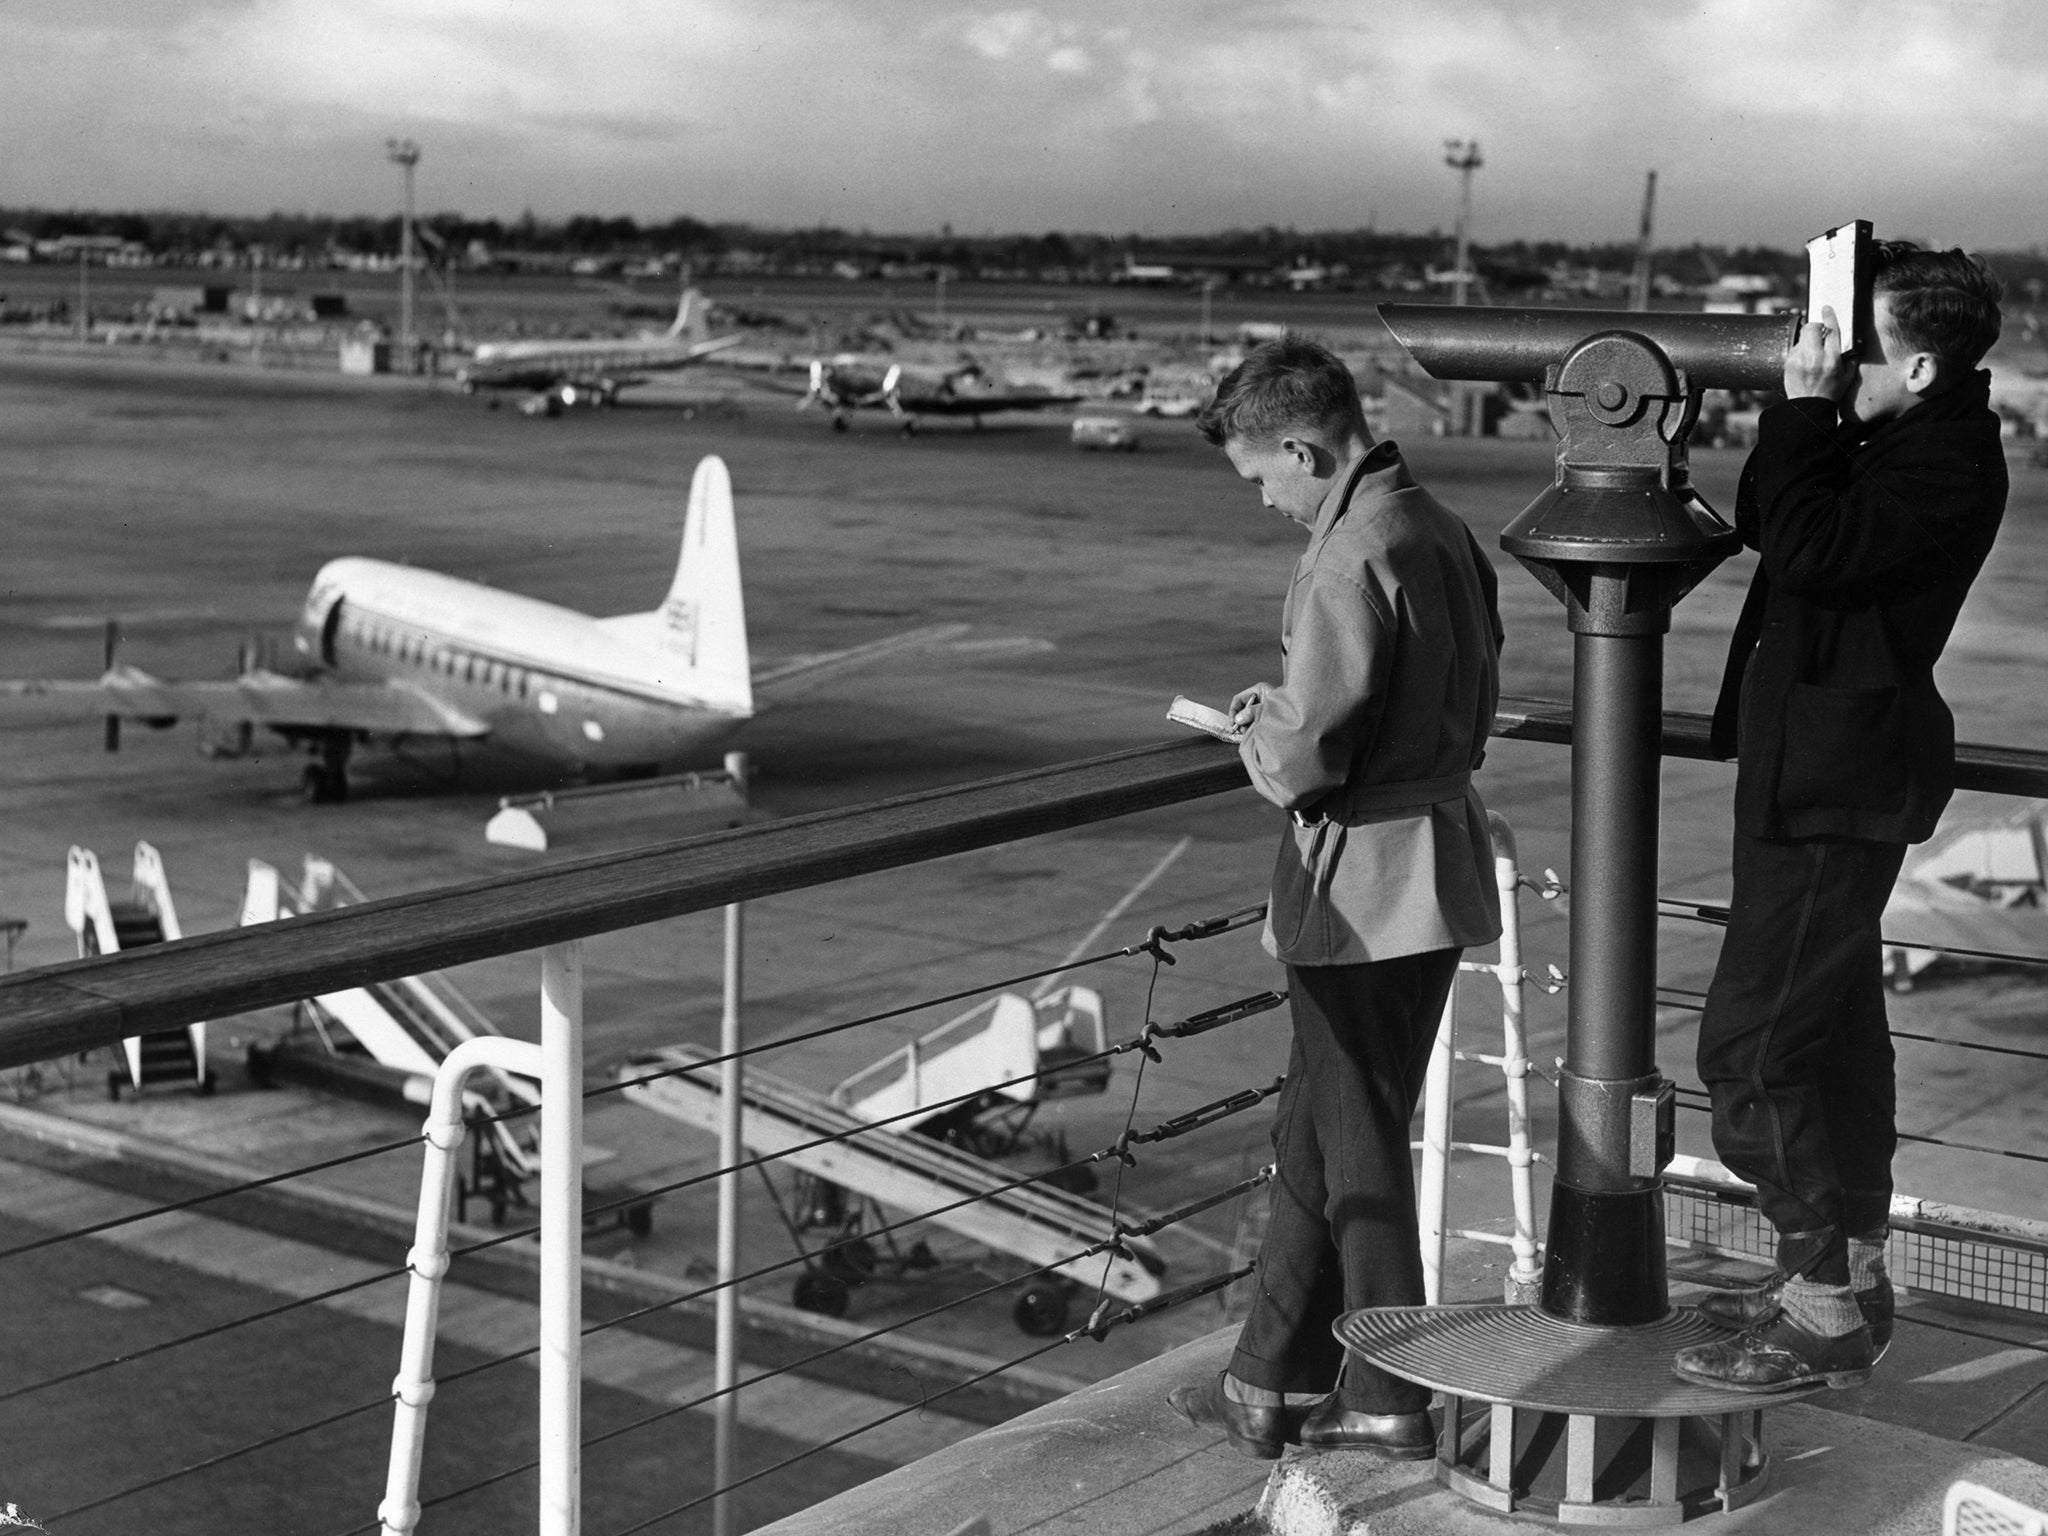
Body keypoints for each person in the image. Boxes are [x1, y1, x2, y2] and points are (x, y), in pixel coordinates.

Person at [1674, 244, 2007, 1393]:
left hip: (1834, 784)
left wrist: (1801, 409)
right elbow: (1775, 519)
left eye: (1852, 342)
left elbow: (1810, 552)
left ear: (1913, 365)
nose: (1828, 358)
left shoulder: (1946, 462)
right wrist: (1805, 412)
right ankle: (1847, 1278)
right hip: (1808, 770)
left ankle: (1818, 1294)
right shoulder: (1903, 431)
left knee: (1746, 1051)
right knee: (1829, 1039)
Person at [1167, 336, 1503, 1458]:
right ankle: (1267, 1375)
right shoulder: (1438, 529)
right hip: (1433, 862)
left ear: (1304, 447)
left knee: (1354, 1138)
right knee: (1313, 1126)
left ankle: (1388, 1393)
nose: (1267, 501)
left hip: (1358, 883)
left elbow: (1305, 756)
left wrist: (1257, 725)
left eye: (1264, 478)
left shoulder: (1344, 552)